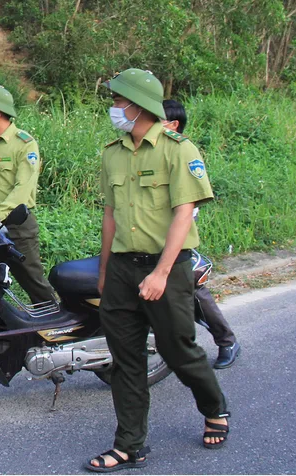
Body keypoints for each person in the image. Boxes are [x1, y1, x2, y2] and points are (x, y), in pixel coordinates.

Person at [86, 69, 229, 473]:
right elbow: (110, 215)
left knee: (178, 350)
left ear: (137, 104)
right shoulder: (112, 152)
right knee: (125, 359)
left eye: (117, 101)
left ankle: (214, 407)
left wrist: (162, 273)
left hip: (167, 269)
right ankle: (129, 445)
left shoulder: (178, 149)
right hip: (121, 269)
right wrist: (104, 269)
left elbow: (185, 213)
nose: (113, 108)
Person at [161, 99, 241, 369]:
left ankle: (226, 341)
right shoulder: (147, 152)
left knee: (193, 291)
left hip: (174, 241)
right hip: (144, 241)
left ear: (173, 125)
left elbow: (187, 209)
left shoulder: (183, 152)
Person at [0, 85, 57, 306]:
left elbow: (23, 189)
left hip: (17, 226)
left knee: (32, 281)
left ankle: (56, 325)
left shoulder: (24, 144)